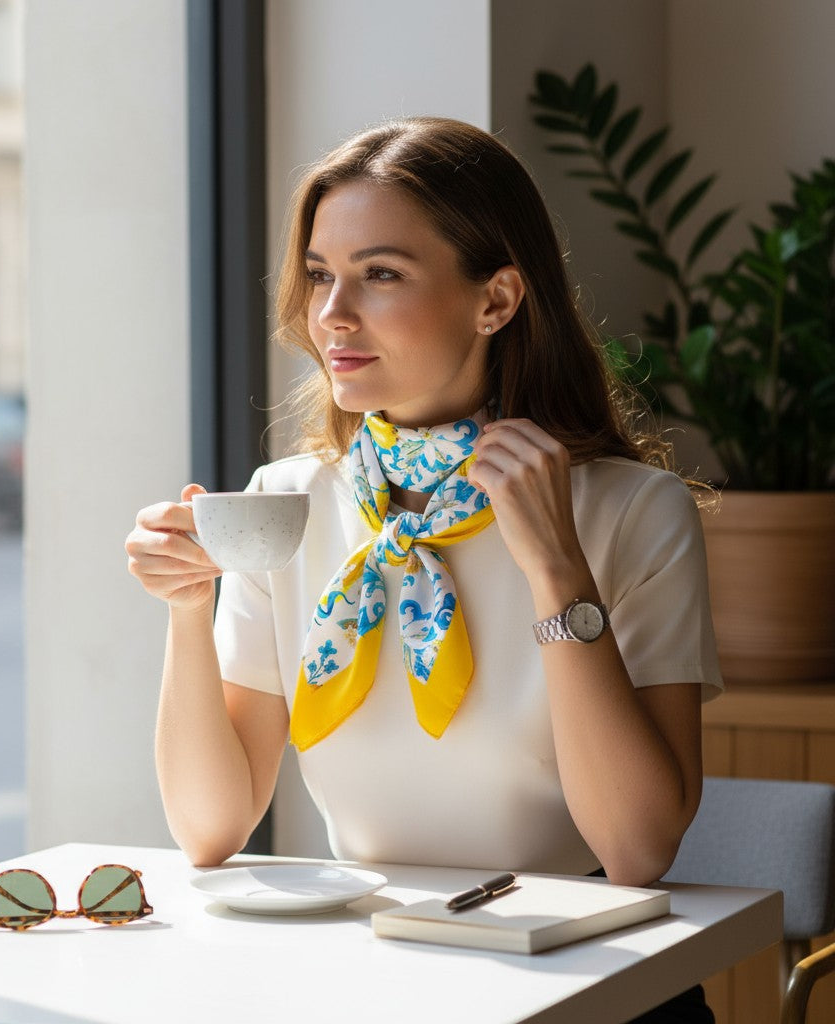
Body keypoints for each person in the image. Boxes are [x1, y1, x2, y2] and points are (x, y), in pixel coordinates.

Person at [126, 116, 721, 1022]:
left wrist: (556, 568)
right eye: (322, 275)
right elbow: (209, 831)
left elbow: (637, 849)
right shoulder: (282, 503)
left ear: (497, 300)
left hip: (585, 986)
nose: (331, 314)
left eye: (382, 274)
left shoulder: (634, 511)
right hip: (378, 982)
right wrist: (186, 606)